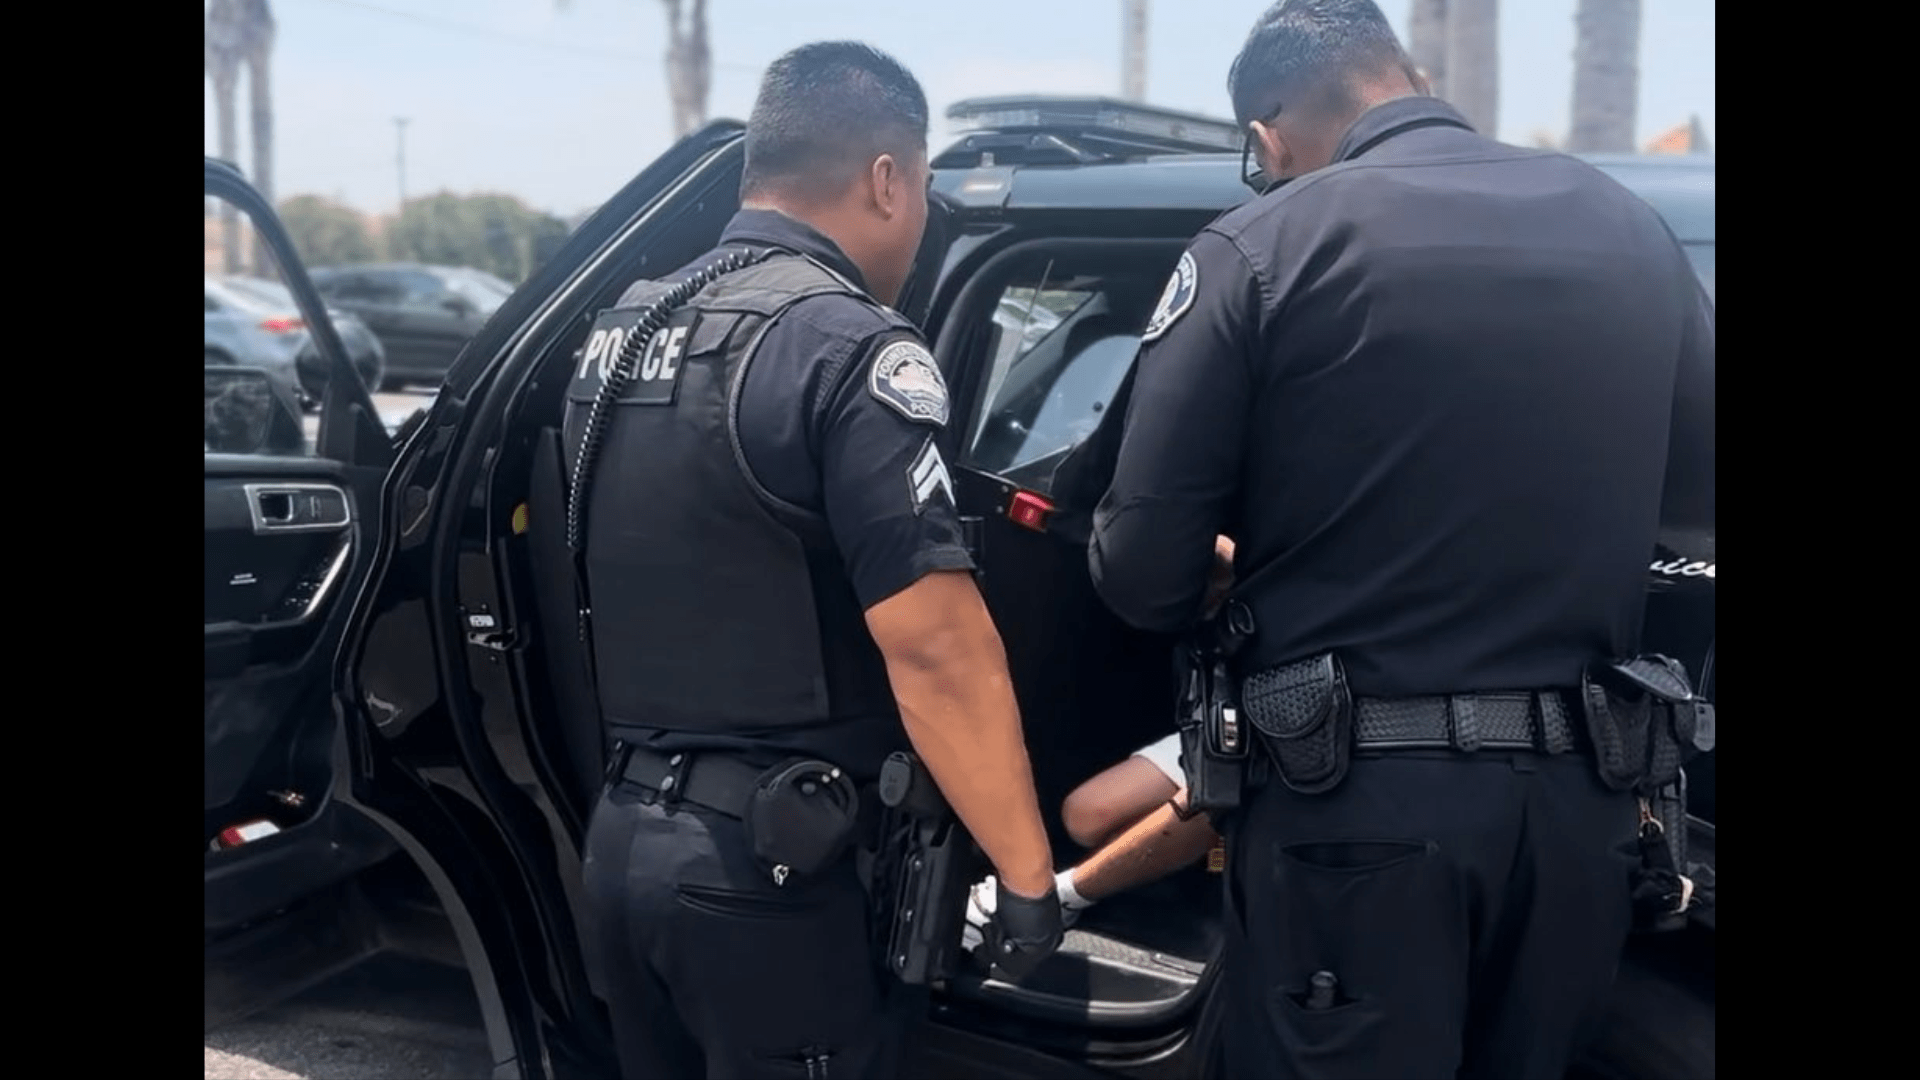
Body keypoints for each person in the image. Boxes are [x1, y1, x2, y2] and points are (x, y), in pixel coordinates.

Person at [1085, 2, 1714, 1078]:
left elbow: (1143, 567)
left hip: (1355, 817)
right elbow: (1695, 502)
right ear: (1404, 72)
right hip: (1581, 817)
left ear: (1271, 132)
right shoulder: (1627, 227)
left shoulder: (1263, 244)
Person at [561, 42, 1064, 1080]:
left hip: (623, 843)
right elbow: (938, 653)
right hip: (770, 876)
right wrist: (1023, 874)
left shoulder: (624, 329)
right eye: (922, 190)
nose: (921, 222)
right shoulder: (846, 346)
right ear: (888, 179)